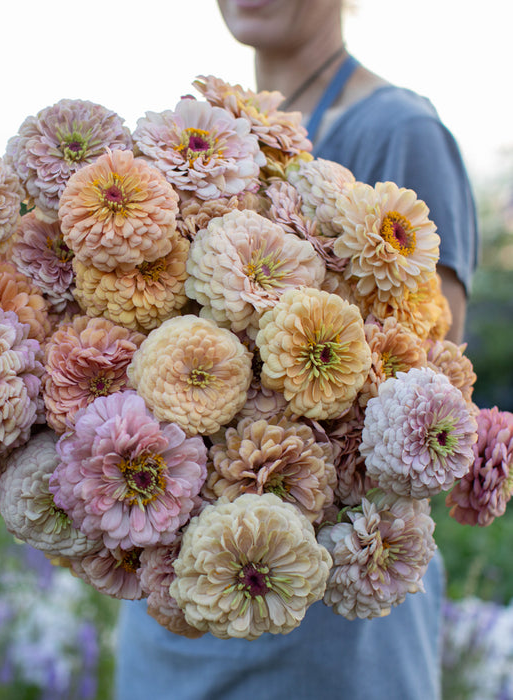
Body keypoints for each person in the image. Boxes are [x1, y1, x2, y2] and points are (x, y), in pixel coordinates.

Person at [114, 1, 479, 698]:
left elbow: (428, 379)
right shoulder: (193, 143)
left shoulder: (399, 130)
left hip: (323, 629)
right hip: (179, 614)